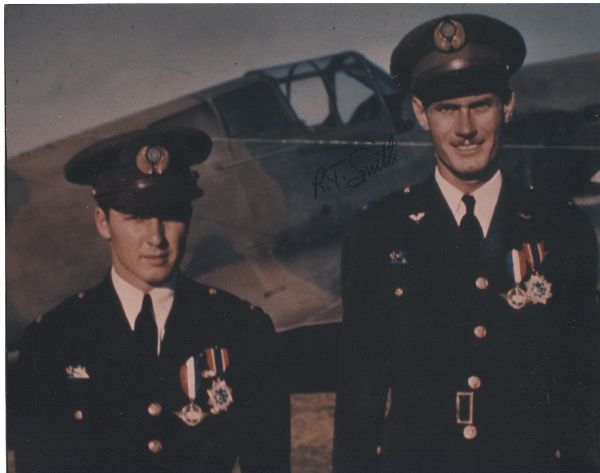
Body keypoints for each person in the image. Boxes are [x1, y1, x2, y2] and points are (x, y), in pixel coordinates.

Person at [333, 14, 599, 473]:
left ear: (508, 105)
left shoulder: (562, 228)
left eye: (480, 105)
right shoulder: (376, 233)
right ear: (421, 114)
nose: (465, 128)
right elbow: (360, 402)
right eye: (446, 109)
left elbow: (586, 385)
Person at [15, 127, 290, 473]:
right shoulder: (52, 340)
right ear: (103, 222)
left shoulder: (242, 328)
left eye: (171, 214)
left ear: (189, 216)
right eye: (136, 217)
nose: (156, 237)